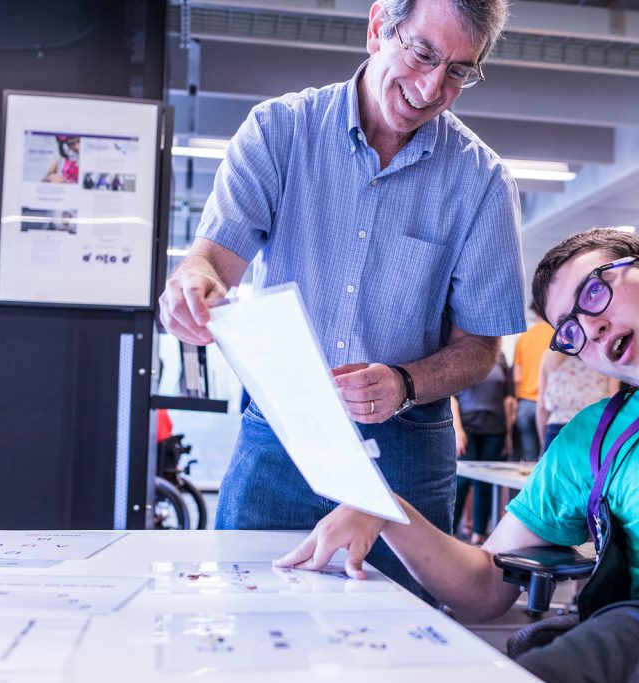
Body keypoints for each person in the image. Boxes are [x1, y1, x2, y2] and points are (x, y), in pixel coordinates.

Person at [277, 228, 639, 683]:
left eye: (594, 291)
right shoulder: (591, 437)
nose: (590, 327)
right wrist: (385, 508)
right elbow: (486, 587)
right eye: (570, 330)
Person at [158, 0, 525, 599]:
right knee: (247, 618)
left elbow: (480, 348)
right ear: (380, 26)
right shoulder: (279, 131)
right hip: (282, 439)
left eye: (459, 71)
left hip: (406, 451)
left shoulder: (481, 181)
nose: (433, 87)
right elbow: (211, 262)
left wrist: (404, 382)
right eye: (423, 53)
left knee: (404, 638)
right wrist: (192, 286)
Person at [451, 350, 514, 545]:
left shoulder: (501, 358)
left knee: (485, 484)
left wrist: (508, 434)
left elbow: (508, 398)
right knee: (461, 482)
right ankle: (449, 532)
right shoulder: (462, 355)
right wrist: (458, 429)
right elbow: (451, 397)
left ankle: (479, 534)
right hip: (467, 427)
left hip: (495, 427)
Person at [536, 352, 616, 452]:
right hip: (594, 429)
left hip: (556, 430)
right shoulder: (606, 356)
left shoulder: (549, 357)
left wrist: (543, 445)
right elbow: (614, 405)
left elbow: (542, 407)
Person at [512, 312, 553, 461]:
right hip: (548, 405)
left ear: (535, 315)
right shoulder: (556, 334)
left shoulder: (524, 337)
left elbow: (516, 377)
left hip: (525, 405)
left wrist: (516, 403)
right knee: (548, 456)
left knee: (529, 457)